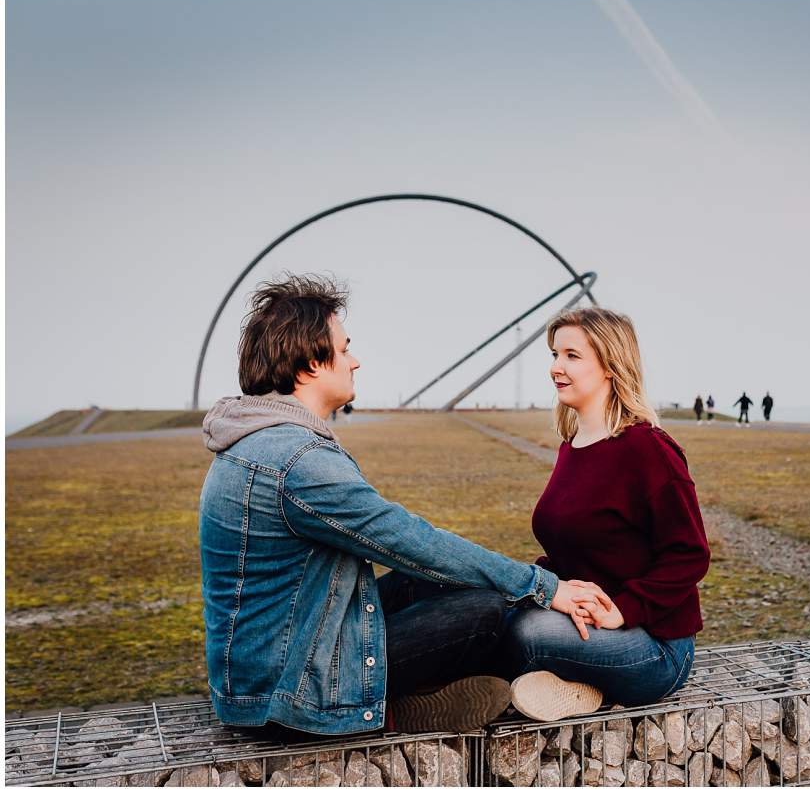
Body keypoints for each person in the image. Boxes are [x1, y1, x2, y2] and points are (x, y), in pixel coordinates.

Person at [198, 274, 597, 738]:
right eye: (344, 349)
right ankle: (385, 706)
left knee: (424, 583)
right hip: (291, 693)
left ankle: (407, 700)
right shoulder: (298, 461)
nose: (355, 361)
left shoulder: (253, 440)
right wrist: (545, 587)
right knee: (485, 611)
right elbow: (409, 539)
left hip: (263, 671)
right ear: (310, 364)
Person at [502, 307, 711, 722]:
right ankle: (576, 687)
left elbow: (690, 554)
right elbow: (577, 548)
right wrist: (540, 586)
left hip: (655, 647)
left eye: (571, 356)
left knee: (526, 633)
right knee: (487, 602)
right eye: (554, 354)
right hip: (587, 621)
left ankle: (562, 681)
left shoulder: (648, 450)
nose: (555, 368)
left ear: (611, 366)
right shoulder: (572, 444)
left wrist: (623, 609)